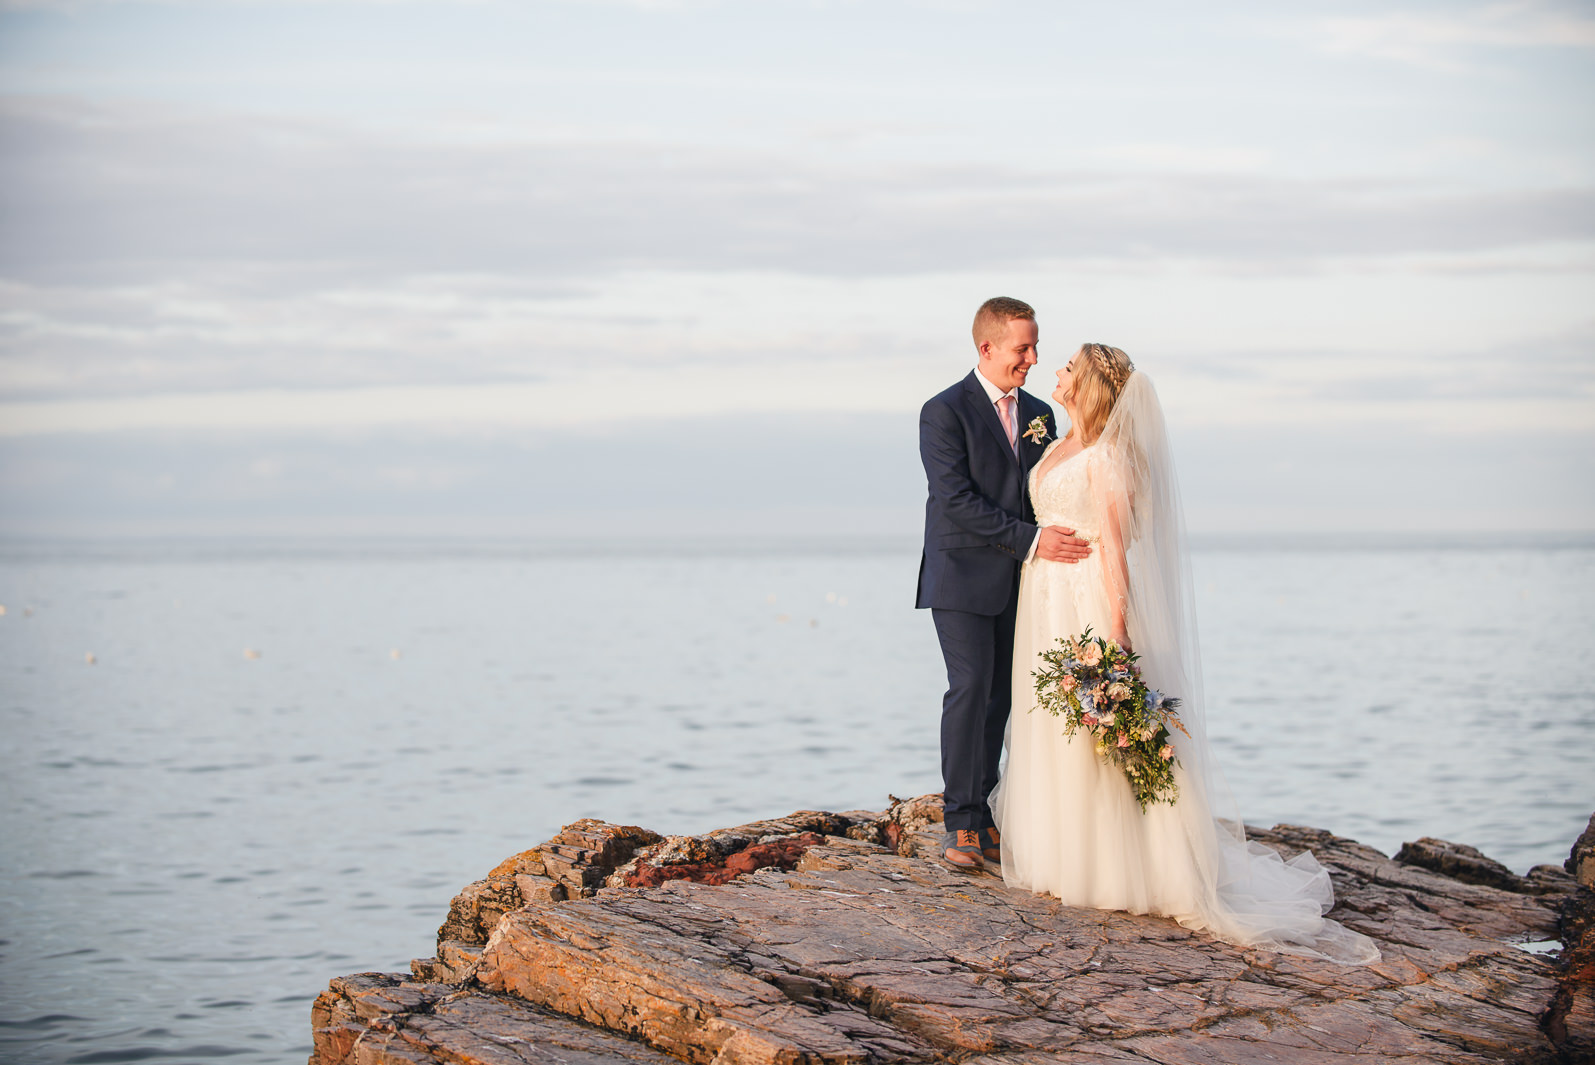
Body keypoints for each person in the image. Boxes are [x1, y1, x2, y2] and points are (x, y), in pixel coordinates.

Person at [990, 343, 1379, 962]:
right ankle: (1060, 855)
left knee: (1096, 732)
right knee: (1053, 727)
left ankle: (1118, 867)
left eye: (1067, 367)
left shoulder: (1110, 457)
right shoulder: (1058, 444)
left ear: (1087, 384)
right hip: (1043, 601)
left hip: (1085, 601)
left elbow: (1115, 547)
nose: (1055, 372)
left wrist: (1116, 632)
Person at [916, 297, 1092, 873]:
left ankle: (987, 813)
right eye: (1023, 348)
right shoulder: (944, 411)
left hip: (1026, 579)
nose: (1033, 358)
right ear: (987, 347)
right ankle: (961, 821)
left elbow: (1044, 490)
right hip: (962, 575)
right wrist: (1033, 540)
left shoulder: (1040, 412)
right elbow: (955, 500)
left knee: (1004, 697)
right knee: (970, 688)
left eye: (1036, 347)